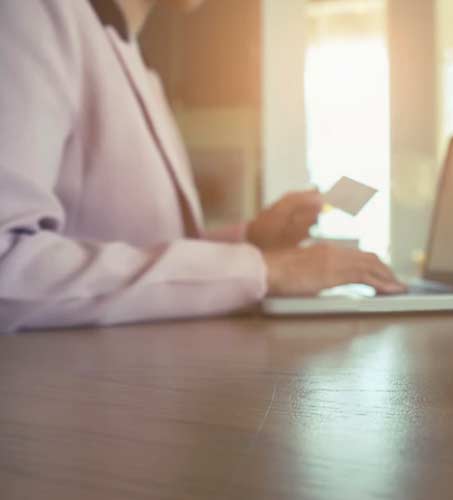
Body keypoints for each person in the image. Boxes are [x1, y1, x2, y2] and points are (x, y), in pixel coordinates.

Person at [0, 0, 405, 333]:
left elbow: (148, 255)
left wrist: (250, 240)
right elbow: (8, 268)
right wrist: (262, 269)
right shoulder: (30, 14)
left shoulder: (135, 60)